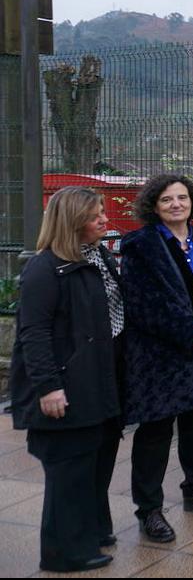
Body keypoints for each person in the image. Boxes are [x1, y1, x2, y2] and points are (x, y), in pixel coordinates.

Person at [9, 187, 123, 572]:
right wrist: (48, 387)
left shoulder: (93, 257)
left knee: (85, 467)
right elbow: (34, 334)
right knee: (67, 473)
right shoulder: (44, 269)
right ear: (73, 221)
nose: (105, 221)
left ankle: (86, 536)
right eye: (96, 216)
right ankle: (64, 554)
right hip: (65, 387)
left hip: (93, 383)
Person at [121, 174, 193, 543]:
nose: (176, 204)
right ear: (154, 205)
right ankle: (150, 509)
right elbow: (142, 303)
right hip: (161, 356)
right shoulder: (140, 246)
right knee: (155, 432)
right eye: (167, 199)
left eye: (182, 198)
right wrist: (192, 331)